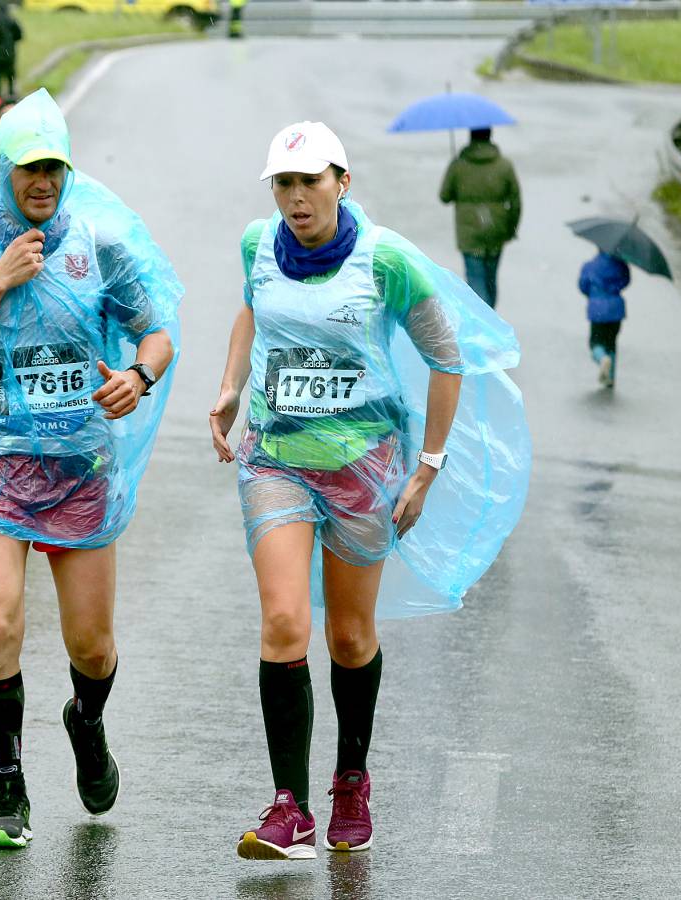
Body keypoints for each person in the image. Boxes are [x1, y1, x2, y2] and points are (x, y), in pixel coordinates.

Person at [209, 121, 528, 861]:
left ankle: (351, 780)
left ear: (341, 183)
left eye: (309, 182)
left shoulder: (387, 261)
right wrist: (231, 385)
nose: (295, 199)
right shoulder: (259, 245)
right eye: (283, 184)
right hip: (276, 458)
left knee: (349, 635)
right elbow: (253, 308)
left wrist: (428, 467)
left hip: (363, 464)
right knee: (284, 622)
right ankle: (289, 809)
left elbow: (446, 358)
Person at [0, 89, 181, 849]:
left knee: (90, 648)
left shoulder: (99, 243)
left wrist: (140, 375)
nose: (42, 183)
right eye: (29, 168)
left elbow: (155, 331)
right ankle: (8, 789)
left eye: (54, 168)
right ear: (2, 167)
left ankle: (85, 722)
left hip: (78, 469)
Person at [438, 128, 520, 309]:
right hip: (496, 231)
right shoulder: (504, 165)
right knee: (491, 280)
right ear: (490, 136)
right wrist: (511, 229)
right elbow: (516, 201)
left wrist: (455, 170)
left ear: (470, 137)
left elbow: (444, 196)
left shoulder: (459, 165)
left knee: (476, 282)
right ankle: (491, 320)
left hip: (470, 234)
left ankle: (485, 325)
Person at [578, 250, 629, 388]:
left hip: (597, 311)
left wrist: (594, 293)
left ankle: (602, 359)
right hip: (615, 310)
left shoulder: (590, 266)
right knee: (611, 342)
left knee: (595, 342)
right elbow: (626, 281)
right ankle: (610, 378)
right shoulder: (621, 265)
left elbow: (583, 286)